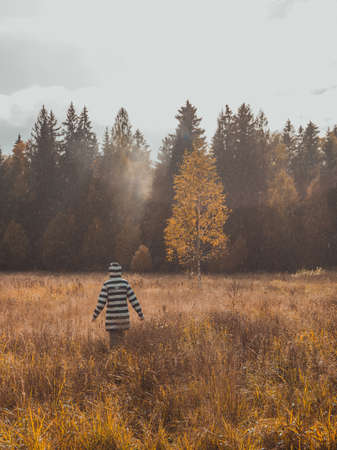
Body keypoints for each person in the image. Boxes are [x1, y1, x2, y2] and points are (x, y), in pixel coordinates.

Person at [92, 261, 144, 348]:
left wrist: (95, 316)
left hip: (112, 320)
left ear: (110, 272)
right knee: (122, 342)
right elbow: (133, 300)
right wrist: (140, 314)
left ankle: (115, 359)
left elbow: (101, 303)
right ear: (120, 272)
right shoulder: (125, 283)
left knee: (113, 344)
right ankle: (122, 358)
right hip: (123, 318)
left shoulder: (107, 284)